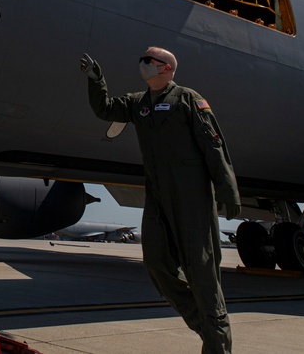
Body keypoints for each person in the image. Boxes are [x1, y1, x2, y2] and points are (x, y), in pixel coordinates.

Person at [80, 46, 240, 354]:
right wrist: (95, 78)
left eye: (149, 61)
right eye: (142, 59)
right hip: (157, 195)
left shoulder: (189, 100)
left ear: (165, 68)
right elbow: (105, 109)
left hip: (191, 196)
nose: (143, 64)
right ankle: (207, 326)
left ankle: (217, 345)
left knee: (202, 274)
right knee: (156, 265)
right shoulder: (138, 103)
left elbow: (213, 144)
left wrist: (228, 188)